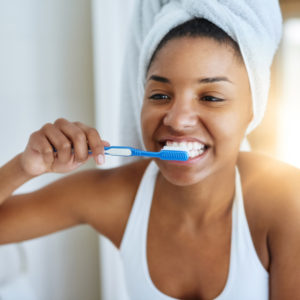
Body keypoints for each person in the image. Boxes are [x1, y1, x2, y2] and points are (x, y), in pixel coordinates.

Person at [1, 3, 300, 300]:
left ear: (253, 111)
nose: (178, 119)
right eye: (159, 95)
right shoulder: (120, 197)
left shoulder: (286, 200)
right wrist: (24, 167)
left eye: (210, 97)